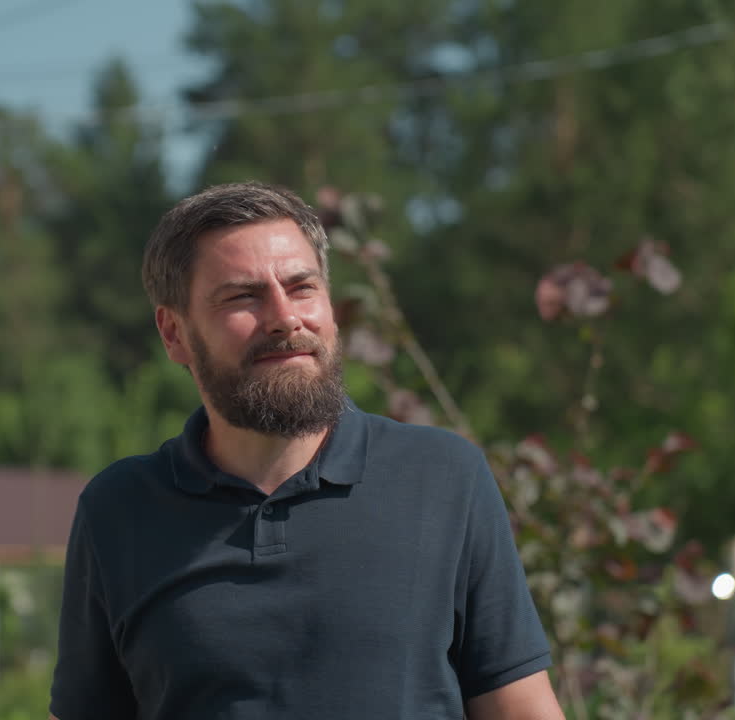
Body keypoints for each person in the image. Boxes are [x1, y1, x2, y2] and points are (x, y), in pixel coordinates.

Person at [49, 182, 564, 720]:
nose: (284, 317)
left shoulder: (444, 479)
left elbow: (521, 709)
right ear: (174, 332)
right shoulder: (120, 509)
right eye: (242, 296)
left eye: (301, 287)